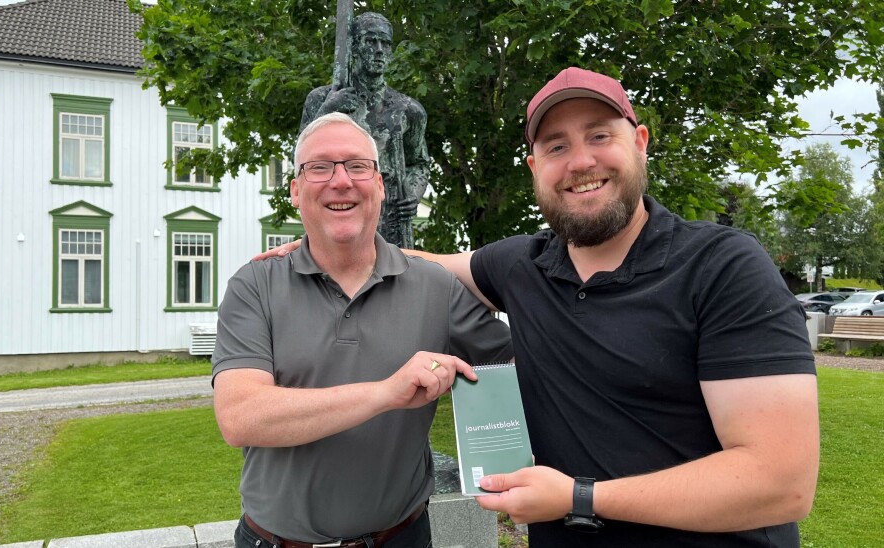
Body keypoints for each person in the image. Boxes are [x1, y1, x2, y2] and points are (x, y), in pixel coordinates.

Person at [257, 67, 820, 547]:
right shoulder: (520, 266)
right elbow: (416, 259)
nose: (579, 162)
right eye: (556, 146)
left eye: (600, 136)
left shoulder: (723, 267)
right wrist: (328, 243)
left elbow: (780, 481)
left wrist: (579, 498)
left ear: (640, 142)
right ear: (534, 167)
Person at [212, 112, 512, 548]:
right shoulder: (254, 285)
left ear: (381, 186)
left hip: (401, 538)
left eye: (357, 166)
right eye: (319, 167)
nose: (341, 181)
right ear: (295, 189)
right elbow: (240, 417)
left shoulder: (436, 287)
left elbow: (518, 367)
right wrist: (385, 393)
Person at [301, 12, 430, 249]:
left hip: (390, 221)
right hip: (339, 213)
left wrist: (412, 193)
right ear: (354, 47)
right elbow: (301, 161)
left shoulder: (408, 110)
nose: (379, 50)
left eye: (385, 43)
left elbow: (419, 162)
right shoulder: (321, 99)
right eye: (371, 41)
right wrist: (328, 110)